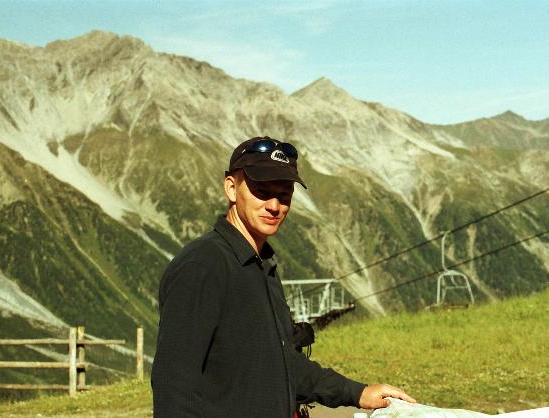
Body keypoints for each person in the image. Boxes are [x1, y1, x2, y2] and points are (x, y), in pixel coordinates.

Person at [151, 136, 416, 417]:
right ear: (231, 188)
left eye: (284, 194)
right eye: (262, 191)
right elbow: (174, 384)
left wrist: (358, 392)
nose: (275, 206)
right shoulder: (202, 266)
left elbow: (283, 364)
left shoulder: (262, 264)